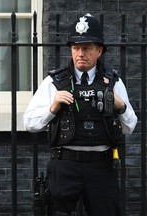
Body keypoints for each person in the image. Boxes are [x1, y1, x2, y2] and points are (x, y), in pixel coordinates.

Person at [23, 13, 137, 216]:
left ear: (99, 51)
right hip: (65, 165)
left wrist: (121, 107)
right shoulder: (54, 82)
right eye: (76, 48)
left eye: (87, 48)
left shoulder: (113, 82)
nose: (80, 53)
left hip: (101, 165)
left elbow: (130, 127)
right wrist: (52, 107)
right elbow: (30, 124)